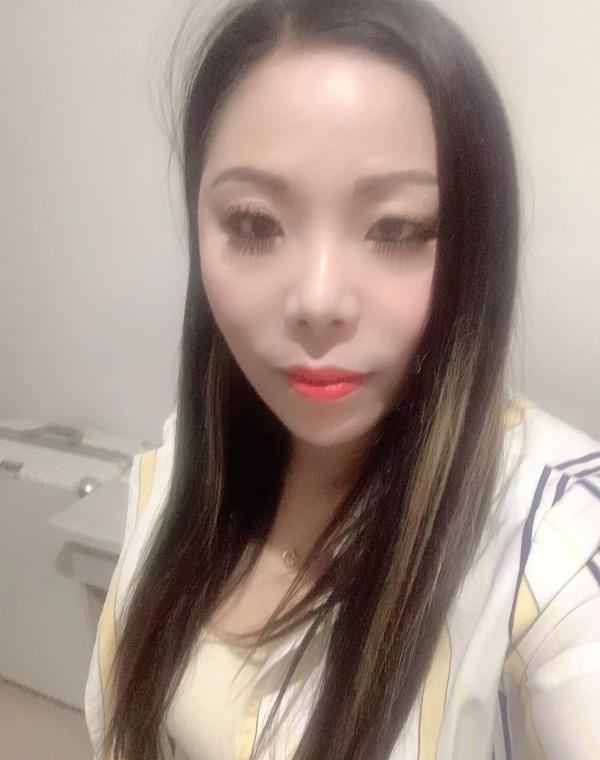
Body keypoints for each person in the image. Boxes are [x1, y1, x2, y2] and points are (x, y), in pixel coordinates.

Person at [84, 0, 600, 758]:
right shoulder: (179, 466)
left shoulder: (554, 542)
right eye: (254, 223)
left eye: (397, 228)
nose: (319, 300)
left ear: (472, 248)